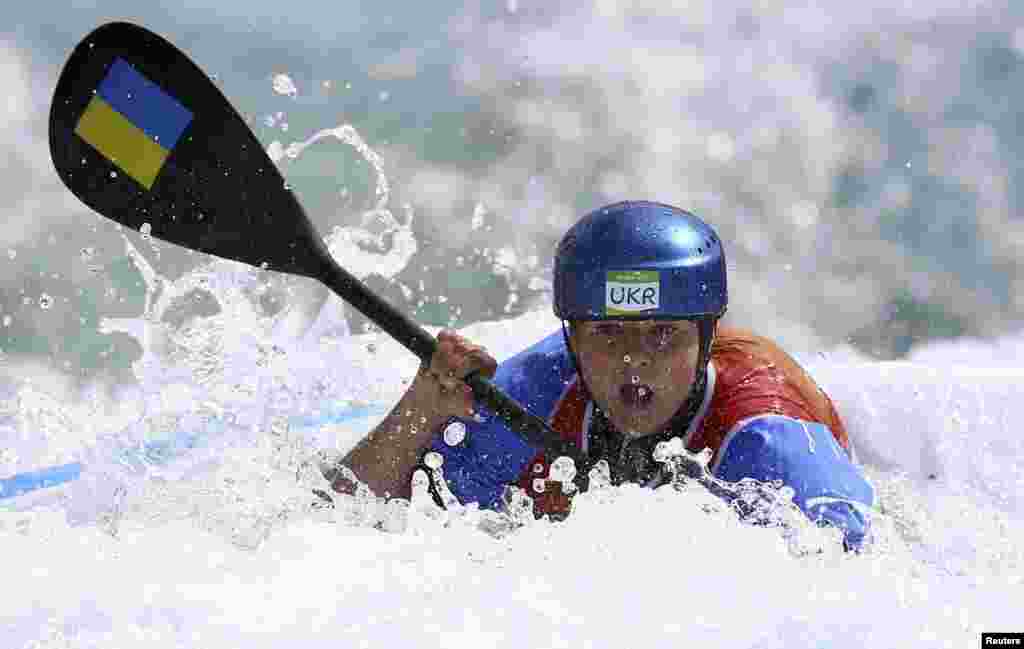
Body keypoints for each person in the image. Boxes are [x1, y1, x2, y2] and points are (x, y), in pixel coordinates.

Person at [329, 200, 874, 551]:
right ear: (573, 339)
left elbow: (853, 593)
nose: (634, 361)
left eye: (663, 335)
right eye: (609, 334)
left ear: (706, 336)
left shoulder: (769, 444)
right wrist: (420, 409)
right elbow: (344, 519)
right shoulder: (542, 390)